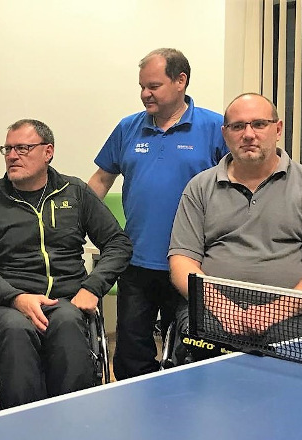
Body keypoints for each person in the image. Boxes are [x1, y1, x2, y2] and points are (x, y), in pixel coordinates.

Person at [0, 119, 132, 409]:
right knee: (16, 331)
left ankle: (73, 418)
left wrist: (93, 287)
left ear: (48, 152)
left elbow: (118, 243)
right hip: (7, 302)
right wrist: (16, 298)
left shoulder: (74, 192)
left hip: (65, 299)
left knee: (67, 323)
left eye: (22, 148)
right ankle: (24, 424)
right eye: (7, 149)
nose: (12, 156)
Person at [88, 48, 228, 379]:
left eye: (153, 86)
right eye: (142, 87)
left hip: (195, 262)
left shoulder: (215, 127)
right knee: (131, 354)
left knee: (187, 354)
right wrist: (77, 224)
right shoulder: (128, 128)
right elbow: (101, 179)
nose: (145, 94)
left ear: (181, 81)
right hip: (137, 259)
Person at [168, 93, 302, 356]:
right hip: (211, 313)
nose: (248, 134)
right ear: (225, 134)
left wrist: (274, 312)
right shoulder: (199, 188)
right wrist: (222, 307)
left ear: (278, 129)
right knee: (203, 354)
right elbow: (182, 263)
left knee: (287, 363)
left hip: (291, 317)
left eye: (259, 124)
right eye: (238, 126)